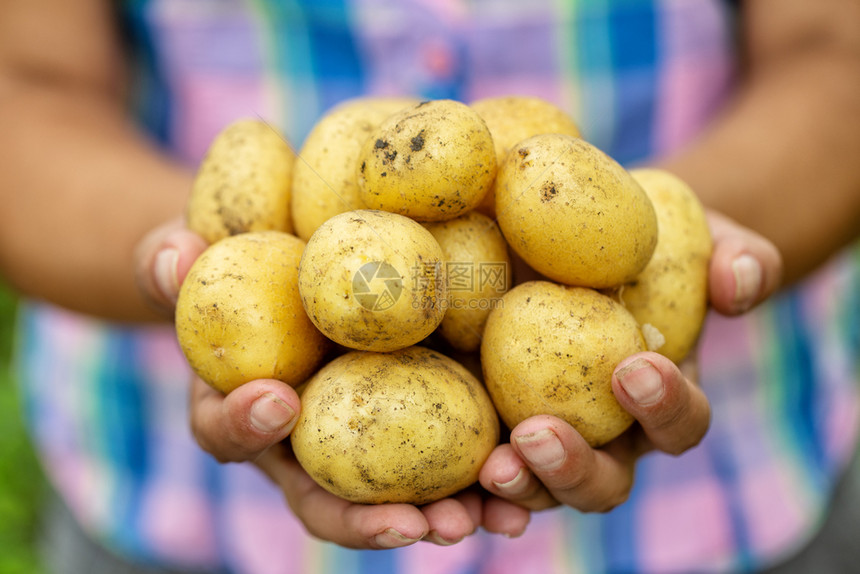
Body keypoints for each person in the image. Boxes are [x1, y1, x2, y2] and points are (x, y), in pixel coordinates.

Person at [0, 0, 857, 573]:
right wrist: (186, 261)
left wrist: (691, 238)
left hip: (729, 508)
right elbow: (23, 87)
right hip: (173, 513)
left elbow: (835, 50)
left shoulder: (523, 204)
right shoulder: (340, 226)